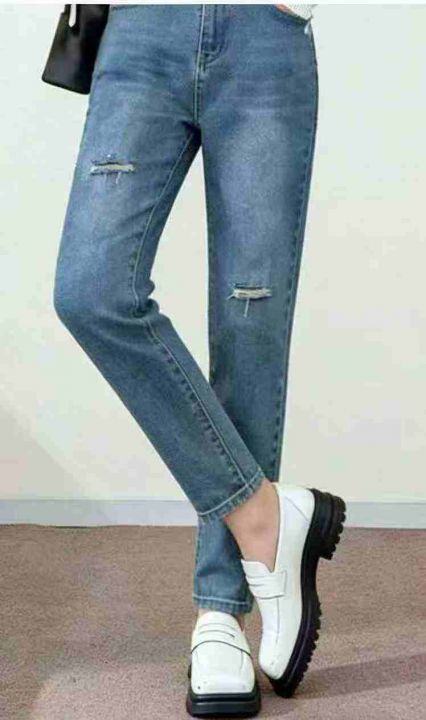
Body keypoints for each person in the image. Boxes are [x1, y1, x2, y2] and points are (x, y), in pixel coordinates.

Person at [52, 4, 345, 717]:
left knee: (251, 322)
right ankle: (264, 521)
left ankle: (223, 610)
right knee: (91, 291)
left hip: (264, 36)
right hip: (140, 33)